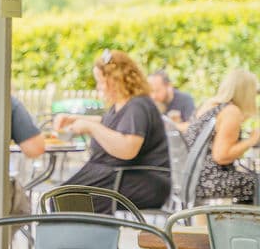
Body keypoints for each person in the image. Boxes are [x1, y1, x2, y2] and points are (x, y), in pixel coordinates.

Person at [54, 49, 171, 213]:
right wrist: (75, 119)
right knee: (61, 199)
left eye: (101, 82)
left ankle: (87, 238)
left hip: (140, 181)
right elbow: (112, 126)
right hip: (118, 176)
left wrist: (91, 128)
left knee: (68, 201)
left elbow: (128, 148)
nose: (98, 87)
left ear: (116, 80)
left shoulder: (137, 106)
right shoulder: (124, 104)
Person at [184, 68, 259, 204]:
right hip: (211, 181)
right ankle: (247, 224)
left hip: (193, 179)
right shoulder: (231, 112)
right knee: (257, 182)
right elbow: (221, 156)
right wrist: (252, 140)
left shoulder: (209, 105)